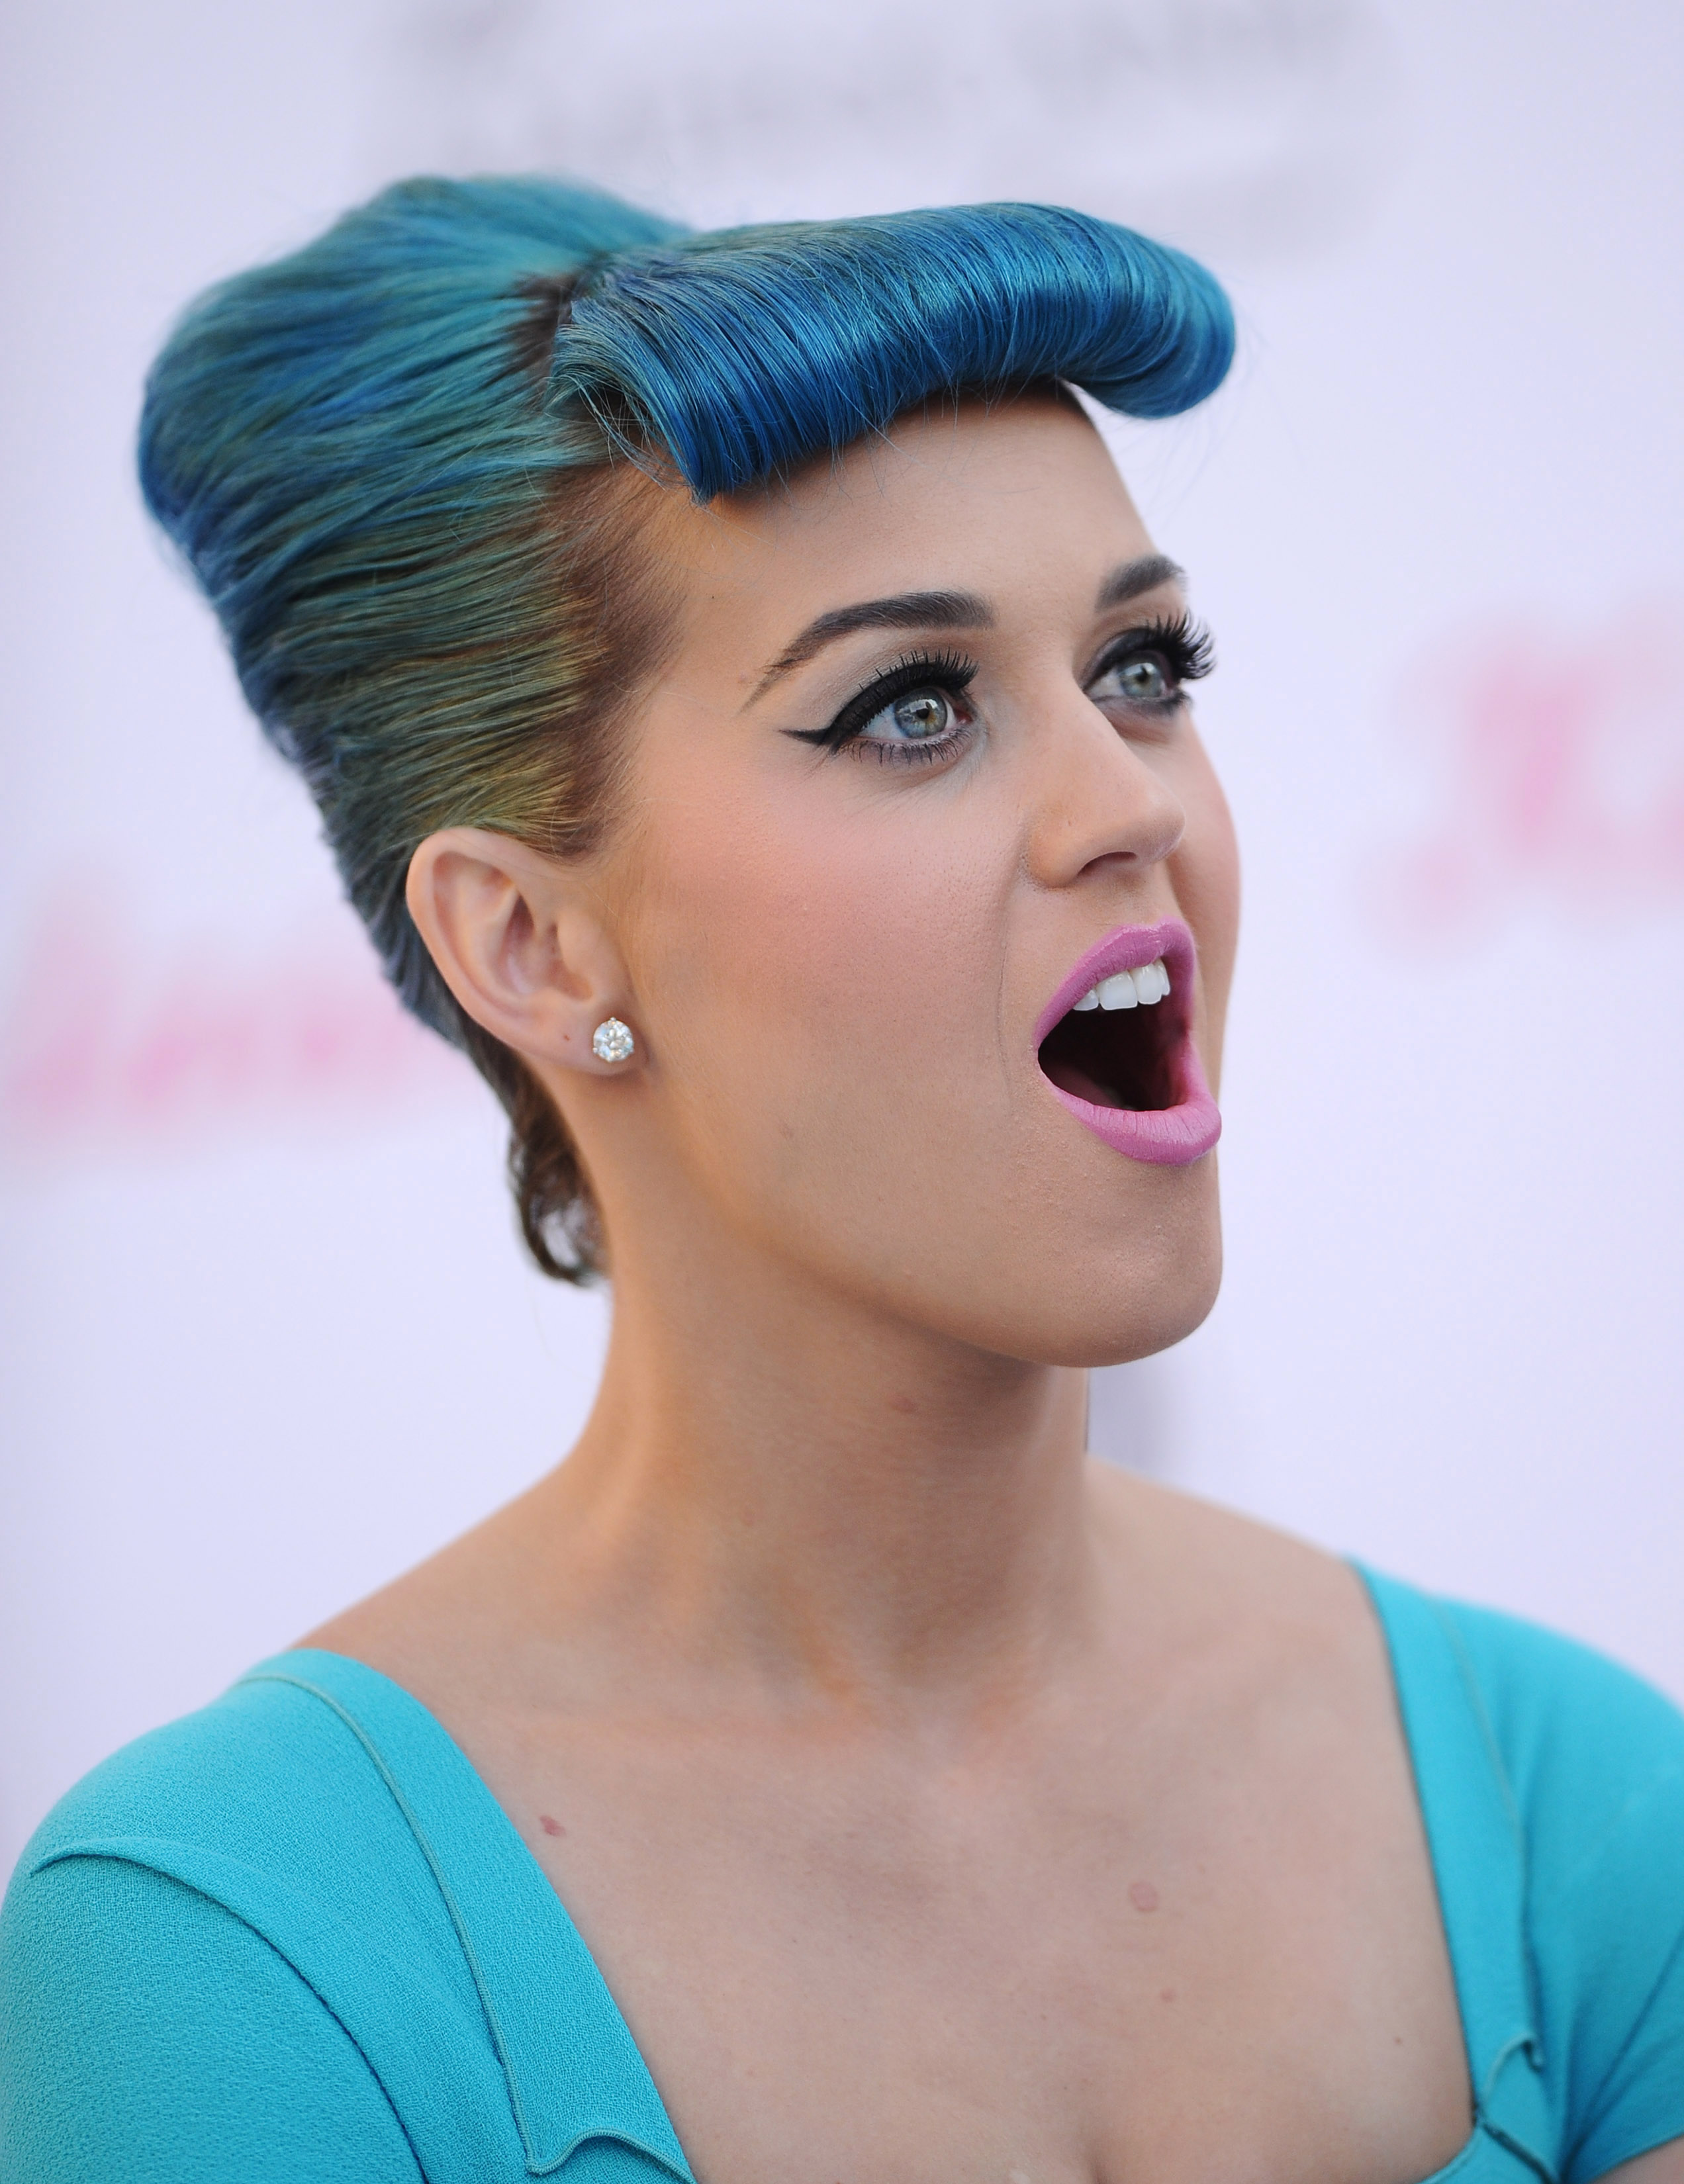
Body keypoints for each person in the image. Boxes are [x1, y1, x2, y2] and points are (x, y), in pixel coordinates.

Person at [1, 177, 1679, 2184]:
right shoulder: (239, 1963)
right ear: (531, 945)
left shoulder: (1574, 1807)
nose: (1128, 801)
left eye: (1144, 667)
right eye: (914, 709)